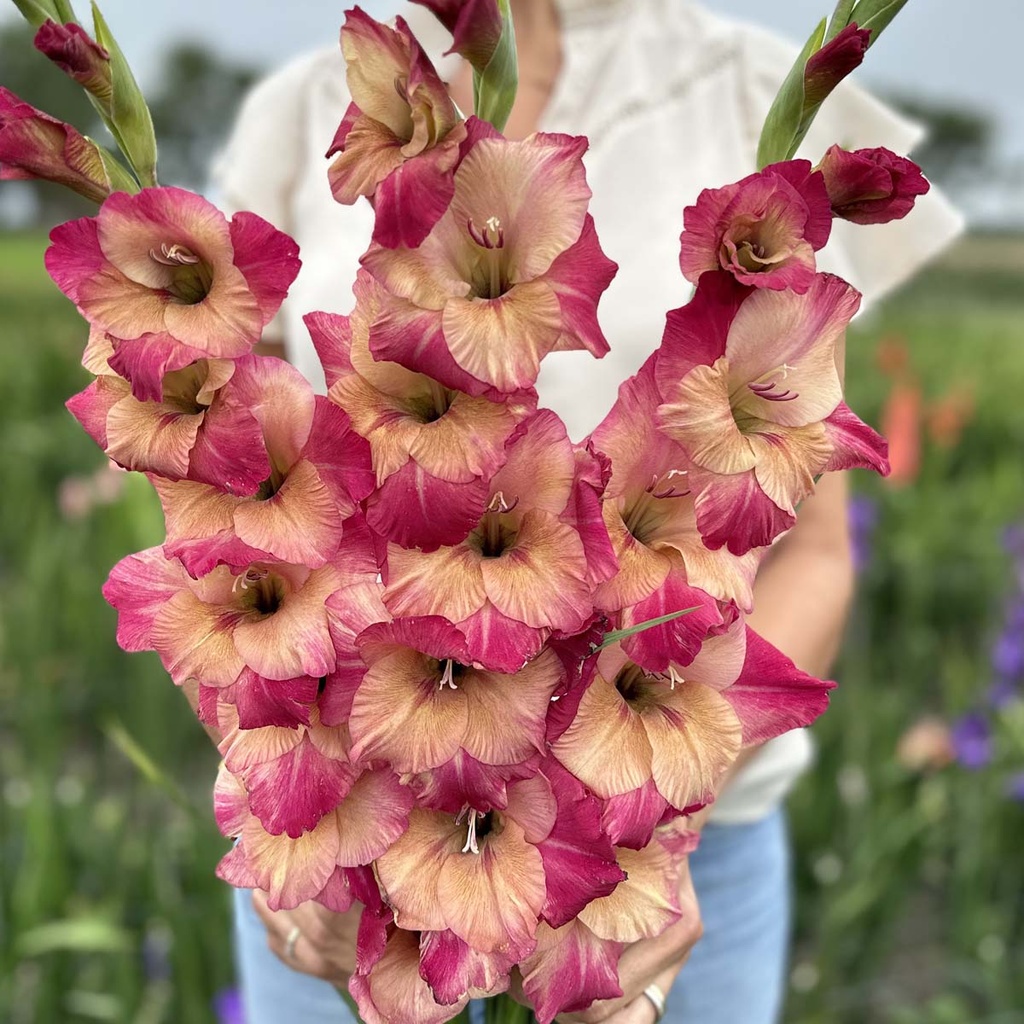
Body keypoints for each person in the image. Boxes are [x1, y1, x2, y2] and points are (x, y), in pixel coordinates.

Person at [211, 1, 963, 1021]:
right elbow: (215, 535)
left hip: (674, 855)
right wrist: (291, 803)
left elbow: (815, 550)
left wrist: (639, 812)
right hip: (354, 843)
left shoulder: (749, 90)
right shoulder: (304, 107)